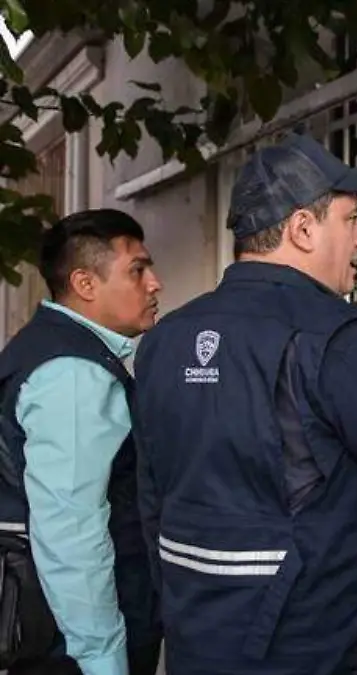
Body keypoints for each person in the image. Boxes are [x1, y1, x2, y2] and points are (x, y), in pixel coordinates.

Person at [132, 133, 357, 675]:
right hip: (317, 650)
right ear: (303, 229)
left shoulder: (166, 339)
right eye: (352, 218)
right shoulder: (337, 339)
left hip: (197, 645)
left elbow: (151, 502)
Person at [0, 209, 163, 675]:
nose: (155, 284)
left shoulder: (49, 349)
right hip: (72, 646)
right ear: (85, 284)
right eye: (138, 269)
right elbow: (71, 535)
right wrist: (102, 660)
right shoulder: (72, 373)